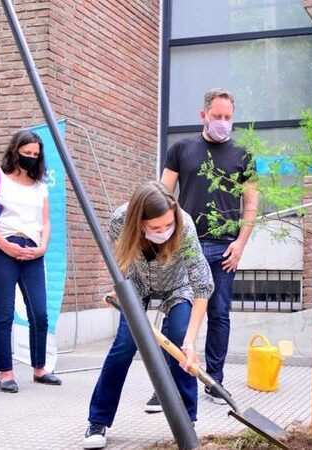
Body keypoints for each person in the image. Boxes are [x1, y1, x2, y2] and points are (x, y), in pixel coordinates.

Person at [82, 182, 213, 449]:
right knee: (124, 346)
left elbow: (202, 285)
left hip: (179, 285)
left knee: (178, 341)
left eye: (168, 226)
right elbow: (120, 259)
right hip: (137, 284)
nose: (164, 232)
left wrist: (190, 341)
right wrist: (118, 289)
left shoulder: (184, 226)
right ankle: (98, 420)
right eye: (155, 228)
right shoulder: (120, 220)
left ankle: (187, 422)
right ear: (139, 223)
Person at [160, 88, 258, 407]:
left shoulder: (244, 155)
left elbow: (252, 203)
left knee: (219, 314)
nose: (223, 122)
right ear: (203, 115)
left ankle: (214, 380)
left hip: (225, 249)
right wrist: (167, 240)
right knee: (179, 313)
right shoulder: (181, 149)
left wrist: (241, 244)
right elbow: (163, 197)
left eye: (228, 117)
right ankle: (167, 385)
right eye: (217, 116)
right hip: (187, 247)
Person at [0, 130, 60, 393]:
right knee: (5, 313)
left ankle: (39, 368)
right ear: (15, 151)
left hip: (32, 251)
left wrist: (42, 247)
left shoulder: (40, 186)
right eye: (27, 153)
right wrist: (4, 244)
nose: (32, 158)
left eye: (36, 154)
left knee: (40, 313)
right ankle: (5, 373)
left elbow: (45, 222)